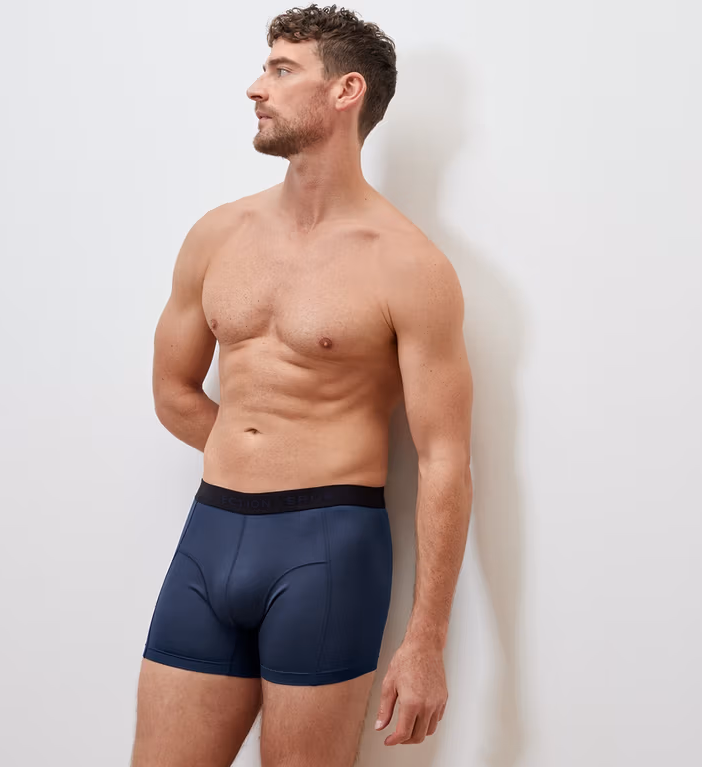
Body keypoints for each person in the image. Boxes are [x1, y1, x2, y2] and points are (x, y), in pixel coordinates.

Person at [131, 5, 473, 766]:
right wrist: (249, 448)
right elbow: (173, 390)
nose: (257, 87)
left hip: (328, 551)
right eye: (265, 67)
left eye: (283, 70)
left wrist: (426, 641)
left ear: (346, 91)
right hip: (209, 536)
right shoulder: (218, 234)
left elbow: (444, 458)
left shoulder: (407, 264)